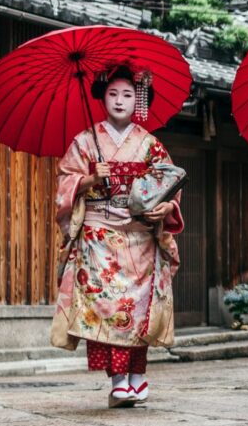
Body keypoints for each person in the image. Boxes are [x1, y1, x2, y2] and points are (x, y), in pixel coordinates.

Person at [50, 65, 183, 408]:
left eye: (127, 94)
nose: (119, 101)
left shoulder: (150, 144)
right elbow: (64, 184)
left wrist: (165, 208)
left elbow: (169, 184)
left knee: (139, 308)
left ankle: (138, 376)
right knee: (107, 307)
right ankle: (118, 379)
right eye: (112, 94)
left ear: (138, 99)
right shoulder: (84, 141)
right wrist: (90, 181)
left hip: (139, 235)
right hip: (99, 237)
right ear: (102, 98)